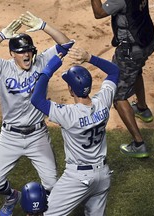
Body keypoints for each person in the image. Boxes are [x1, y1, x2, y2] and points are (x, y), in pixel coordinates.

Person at [0, 11, 73, 216]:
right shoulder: (1, 67)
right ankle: (12, 197)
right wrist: (1, 35)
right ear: (12, 53)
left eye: (29, 50)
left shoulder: (42, 61)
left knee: (53, 185)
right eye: (20, 51)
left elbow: (66, 44)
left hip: (37, 136)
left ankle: (40, 209)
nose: (26, 55)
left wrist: (44, 25)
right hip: (10, 137)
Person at [31, 47, 120, 215]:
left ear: (71, 90)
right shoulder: (102, 103)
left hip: (78, 178)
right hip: (103, 176)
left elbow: (36, 99)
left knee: (48, 213)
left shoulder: (68, 114)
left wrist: (49, 69)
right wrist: (89, 57)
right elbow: (114, 71)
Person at [90, 0, 154, 158]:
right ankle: (142, 108)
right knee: (136, 70)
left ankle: (139, 144)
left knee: (118, 95)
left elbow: (99, 13)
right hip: (147, 41)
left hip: (130, 51)